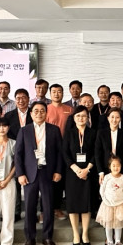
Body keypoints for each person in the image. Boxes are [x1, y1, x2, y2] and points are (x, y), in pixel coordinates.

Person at [15, 102, 63, 245]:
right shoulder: (24, 130)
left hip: (48, 172)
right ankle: (30, 238)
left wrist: (58, 171)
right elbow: (18, 154)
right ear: (31, 114)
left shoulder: (54, 130)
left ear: (46, 113)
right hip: (29, 173)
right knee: (29, 207)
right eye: (36, 111)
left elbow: (59, 153)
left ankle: (48, 237)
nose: (39, 113)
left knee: (48, 206)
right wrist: (20, 174)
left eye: (42, 111)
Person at [62, 106, 97, 245]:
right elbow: (65, 153)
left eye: (84, 116)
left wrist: (87, 169)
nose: (81, 118)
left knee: (86, 204)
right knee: (73, 204)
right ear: (74, 118)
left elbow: (96, 153)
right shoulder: (69, 133)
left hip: (88, 173)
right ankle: (76, 234)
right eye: (78, 116)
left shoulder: (93, 133)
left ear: (88, 117)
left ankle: (85, 234)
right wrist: (76, 169)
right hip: (72, 173)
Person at [96, 156, 123, 245]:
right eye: (114, 165)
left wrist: (120, 200)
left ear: (121, 166)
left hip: (119, 204)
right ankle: (110, 242)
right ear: (109, 167)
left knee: (118, 224)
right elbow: (102, 190)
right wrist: (105, 200)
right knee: (108, 224)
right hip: (107, 205)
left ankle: (117, 241)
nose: (116, 168)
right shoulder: (107, 177)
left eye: (118, 166)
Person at [47, 83, 73, 221]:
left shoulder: (69, 109)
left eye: (59, 91)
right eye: (54, 91)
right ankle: (46, 210)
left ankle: (57, 208)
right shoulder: (45, 109)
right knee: (48, 180)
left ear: (63, 93)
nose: (57, 94)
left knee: (61, 180)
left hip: (65, 148)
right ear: (50, 94)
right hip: (49, 149)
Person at [96, 108, 123, 185]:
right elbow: (98, 153)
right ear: (108, 118)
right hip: (105, 170)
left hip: (121, 169)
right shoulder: (101, 133)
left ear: (120, 119)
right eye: (112, 117)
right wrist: (100, 172)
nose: (114, 120)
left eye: (117, 117)